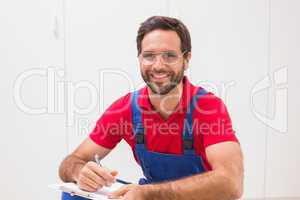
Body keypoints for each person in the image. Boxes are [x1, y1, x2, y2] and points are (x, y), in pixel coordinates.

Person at [59, 16, 244, 200]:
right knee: (72, 194)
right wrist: (80, 172)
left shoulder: (208, 107)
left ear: (186, 59)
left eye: (170, 56)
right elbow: (71, 161)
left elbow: (231, 183)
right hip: (150, 196)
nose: (158, 66)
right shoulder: (126, 109)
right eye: (149, 56)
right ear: (139, 59)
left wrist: (150, 194)